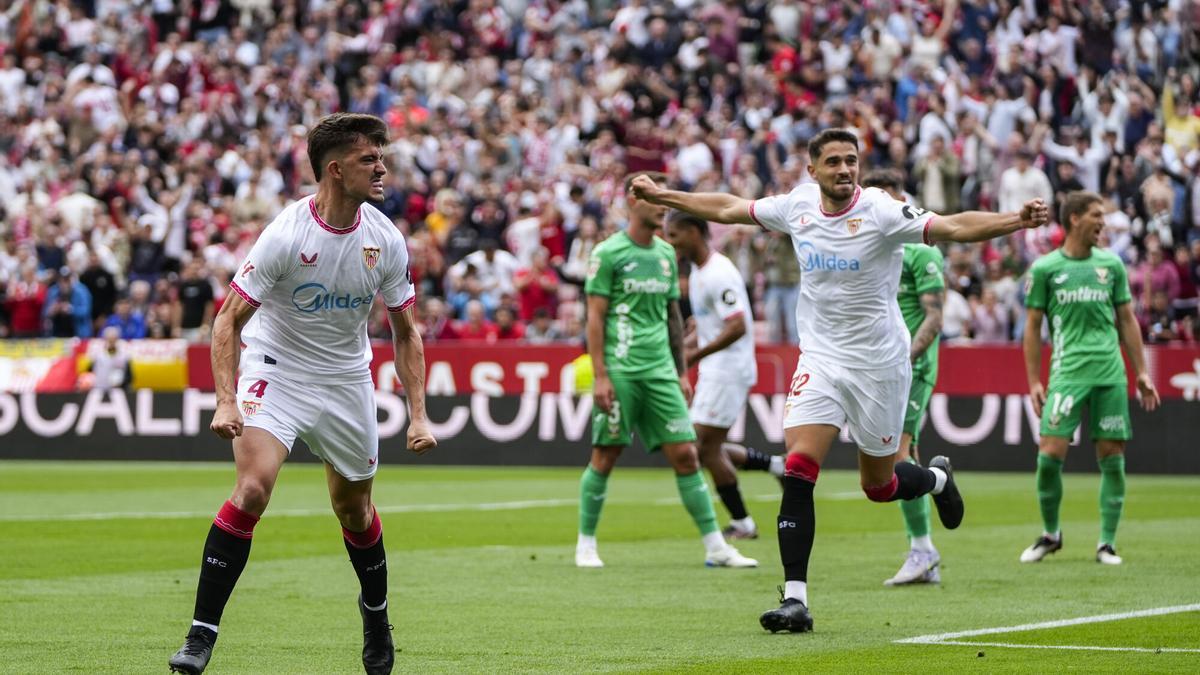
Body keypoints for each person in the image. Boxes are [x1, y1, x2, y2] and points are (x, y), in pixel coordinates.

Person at [631, 128, 1050, 633]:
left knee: (880, 485)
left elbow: (956, 227)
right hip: (822, 360)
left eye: (851, 160)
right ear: (813, 170)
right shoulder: (798, 206)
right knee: (800, 467)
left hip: (879, 365)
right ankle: (795, 600)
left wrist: (1014, 221)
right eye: (833, 161)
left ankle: (937, 479)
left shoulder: (880, 211)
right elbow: (727, 207)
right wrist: (662, 194)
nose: (844, 169)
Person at [168, 113, 436, 675]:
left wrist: (419, 416)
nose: (383, 167)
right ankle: (199, 635)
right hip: (278, 367)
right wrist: (226, 400)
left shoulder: (384, 239)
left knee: (354, 510)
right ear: (336, 171)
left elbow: (407, 332)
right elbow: (227, 320)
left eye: (381, 156)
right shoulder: (286, 235)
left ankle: (376, 616)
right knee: (252, 490)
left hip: (345, 379)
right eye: (370, 159)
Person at [575, 171, 756, 570]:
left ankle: (716, 547)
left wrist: (680, 372)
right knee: (606, 455)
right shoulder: (608, 254)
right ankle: (586, 543)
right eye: (653, 197)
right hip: (621, 369)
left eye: (663, 197)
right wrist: (601, 375)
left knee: (687, 455)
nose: (662, 205)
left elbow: (674, 318)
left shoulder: (663, 256)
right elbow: (594, 318)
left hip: (660, 371)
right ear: (632, 201)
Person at [1020, 191, 1160, 567]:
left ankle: (1107, 544)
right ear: (1075, 218)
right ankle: (1051, 534)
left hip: (1109, 372)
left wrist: (1142, 372)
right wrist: (1034, 380)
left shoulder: (1111, 265)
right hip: (1066, 373)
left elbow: (1127, 320)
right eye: (1097, 216)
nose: (1104, 222)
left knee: (1112, 457)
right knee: (1049, 456)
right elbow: (1032, 328)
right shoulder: (1046, 269)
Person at [664, 211, 778, 540]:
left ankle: (743, 521)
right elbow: (707, 322)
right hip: (717, 368)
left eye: (675, 235)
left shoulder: (718, 272)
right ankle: (769, 478)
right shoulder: (699, 272)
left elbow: (738, 325)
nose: (671, 243)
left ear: (696, 232)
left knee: (698, 446)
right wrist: (686, 342)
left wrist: (694, 355)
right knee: (708, 448)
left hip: (728, 369)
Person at [861, 169, 946, 586]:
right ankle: (925, 549)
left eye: (880, 196)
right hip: (880, 364)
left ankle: (923, 549)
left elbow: (934, 315)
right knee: (899, 453)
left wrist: (905, 358)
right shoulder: (873, 246)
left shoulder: (919, 247)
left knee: (897, 454)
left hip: (911, 366)